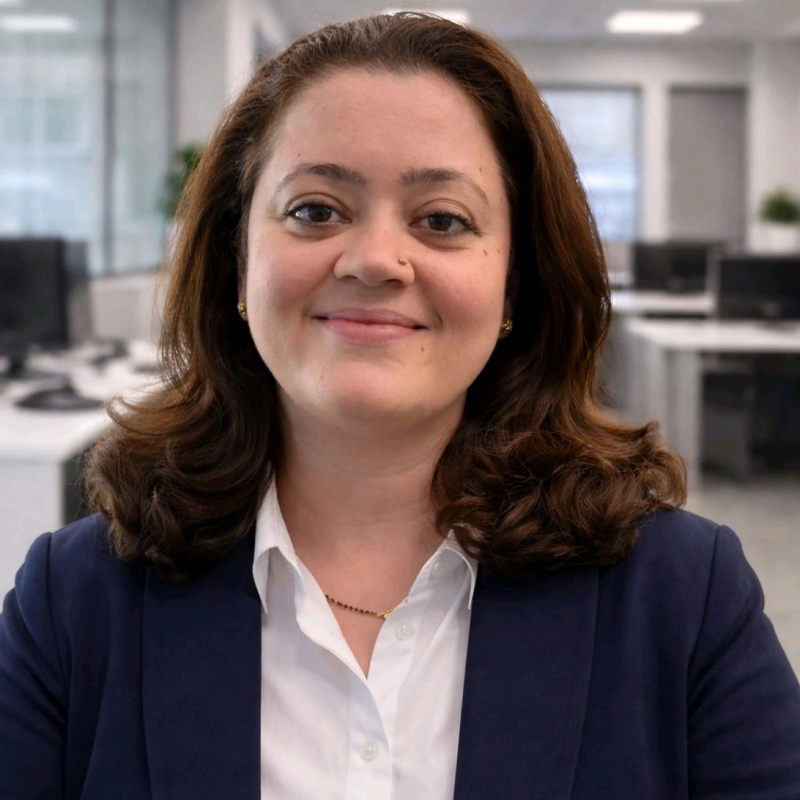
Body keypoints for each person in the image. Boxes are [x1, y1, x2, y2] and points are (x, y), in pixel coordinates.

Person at [1, 12, 799, 799]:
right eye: (315, 210)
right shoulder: (73, 602)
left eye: (442, 220)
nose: (376, 260)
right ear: (237, 260)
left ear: (514, 284)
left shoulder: (683, 596)